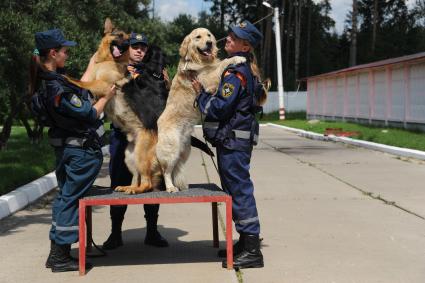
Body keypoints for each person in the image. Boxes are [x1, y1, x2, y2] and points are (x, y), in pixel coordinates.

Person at [29, 29, 116, 272]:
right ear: (53, 53)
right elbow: (89, 113)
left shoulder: (50, 80)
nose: (67, 55)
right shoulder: (58, 89)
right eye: (65, 51)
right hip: (80, 155)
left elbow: (83, 84)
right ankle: (60, 257)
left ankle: (56, 253)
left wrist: (93, 62)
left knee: (65, 197)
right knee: (69, 200)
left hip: (67, 152)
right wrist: (107, 97)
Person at [192, 21, 266, 269]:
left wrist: (201, 95)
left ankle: (253, 250)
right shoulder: (242, 70)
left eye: (235, 38)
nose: (228, 39)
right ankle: (245, 243)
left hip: (234, 143)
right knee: (234, 192)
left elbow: (220, 107)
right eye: (230, 35)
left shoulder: (236, 74)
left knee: (240, 192)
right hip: (233, 141)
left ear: (246, 45)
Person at [102, 32, 169, 250]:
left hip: (147, 138)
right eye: (135, 46)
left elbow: (163, 98)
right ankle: (115, 233)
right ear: (127, 49)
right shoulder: (115, 69)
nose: (139, 50)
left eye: (143, 47)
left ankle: (152, 231)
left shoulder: (155, 72)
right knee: (118, 184)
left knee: (150, 182)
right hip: (122, 137)